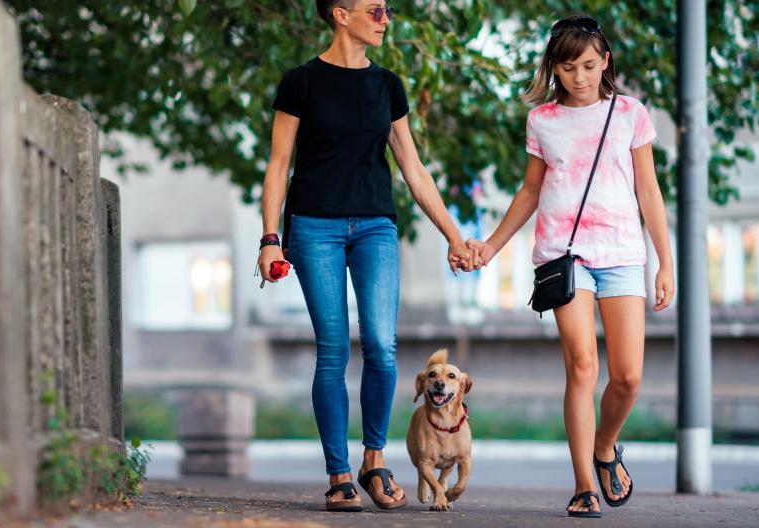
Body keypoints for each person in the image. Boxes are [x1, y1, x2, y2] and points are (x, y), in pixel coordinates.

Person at [256, 0, 476, 512]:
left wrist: (453, 235)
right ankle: (338, 475)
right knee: (333, 348)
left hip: (376, 224)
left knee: (381, 344)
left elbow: (414, 169)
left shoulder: (388, 85)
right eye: (375, 9)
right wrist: (270, 238)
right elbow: (278, 163)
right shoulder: (300, 82)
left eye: (387, 10)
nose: (384, 18)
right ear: (340, 13)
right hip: (314, 227)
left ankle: (374, 461)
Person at [468, 14, 675, 518]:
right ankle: (584, 484)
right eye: (566, 67)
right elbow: (530, 190)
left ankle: (605, 448)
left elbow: (649, 191)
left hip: (624, 254)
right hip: (565, 256)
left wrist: (665, 264)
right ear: (553, 69)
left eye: (587, 65)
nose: (578, 77)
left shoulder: (630, 113)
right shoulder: (542, 120)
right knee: (582, 365)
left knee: (627, 377)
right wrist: (491, 246)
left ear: (605, 61)